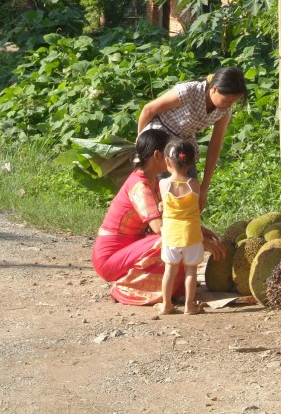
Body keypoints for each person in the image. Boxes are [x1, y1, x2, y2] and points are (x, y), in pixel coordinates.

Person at [92, 128, 225, 306]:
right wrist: (200, 241)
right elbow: (161, 229)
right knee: (171, 241)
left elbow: (174, 217)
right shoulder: (140, 186)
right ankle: (126, 289)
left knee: (178, 240)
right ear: (157, 155)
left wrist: (200, 231)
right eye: (169, 152)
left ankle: (173, 288)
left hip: (130, 248)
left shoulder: (155, 181)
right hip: (109, 259)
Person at [138, 66, 247, 211]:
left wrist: (205, 187)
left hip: (183, 145)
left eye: (233, 102)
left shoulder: (225, 110)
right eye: (227, 100)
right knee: (164, 197)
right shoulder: (188, 91)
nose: (229, 105)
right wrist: (141, 145)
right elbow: (148, 109)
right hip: (159, 139)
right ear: (214, 89)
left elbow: (215, 144)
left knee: (191, 194)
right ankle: (159, 222)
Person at [157, 139, 204, 315]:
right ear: (190, 162)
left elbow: (166, 203)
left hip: (171, 234)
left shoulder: (163, 184)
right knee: (191, 271)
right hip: (191, 234)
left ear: (167, 161)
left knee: (170, 270)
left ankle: (166, 305)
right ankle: (189, 306)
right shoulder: (194, 184)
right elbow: (194, 206)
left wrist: (162, 205)